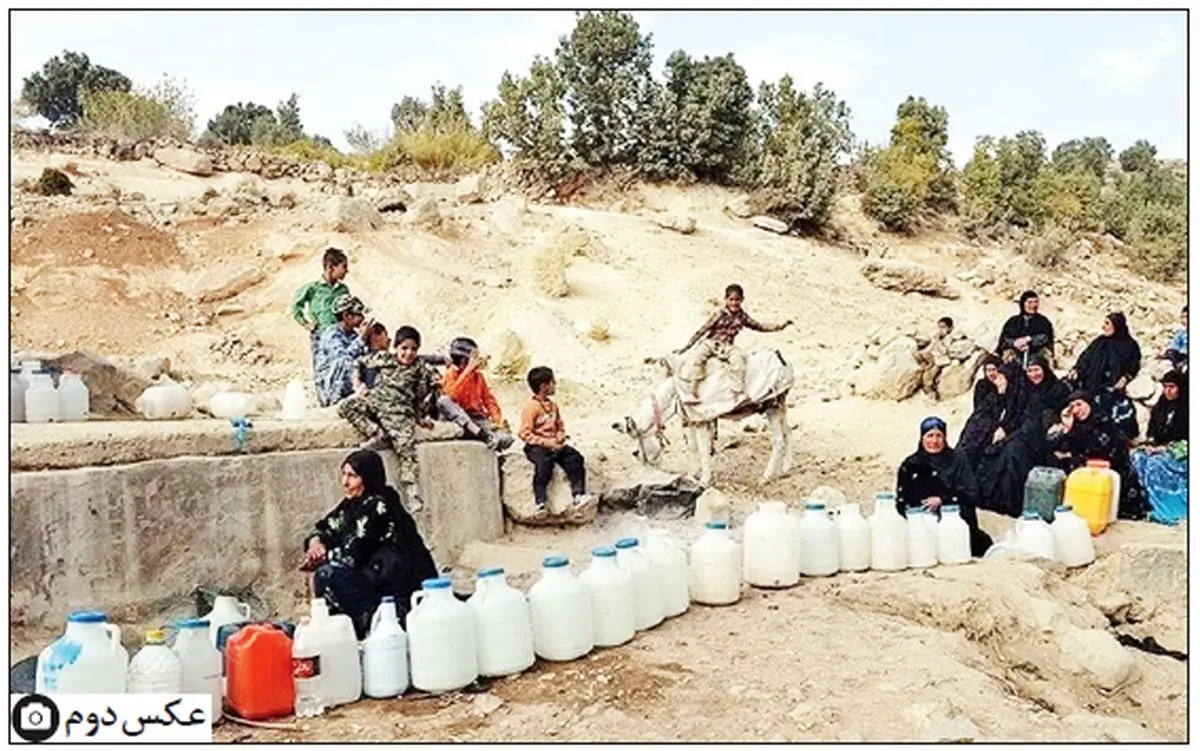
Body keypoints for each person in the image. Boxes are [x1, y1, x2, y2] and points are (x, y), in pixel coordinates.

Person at [301, 449, 437, 639]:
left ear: (368, 478)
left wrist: (320, 558)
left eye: (352, 476)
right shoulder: (353, 505)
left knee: (328, 574)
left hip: (398, 597)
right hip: (374, 586)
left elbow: (355, 552)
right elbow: (325, 527)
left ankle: (362, 631)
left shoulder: (381, 505)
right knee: (327, 574)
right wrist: (316, 544)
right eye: (344, 474)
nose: (345, 482)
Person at [338, 326, 441, 512]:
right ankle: (377, 433)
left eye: (413, 349)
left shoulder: (421, 368)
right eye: (404, 348)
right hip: (375, 403)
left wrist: (422, 416)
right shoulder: (384, 359)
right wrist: (358, 385)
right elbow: (357, 363)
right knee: (347, 407)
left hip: (399, 412)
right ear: (396, 347)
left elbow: (432, 389)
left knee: (406, 449)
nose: (408, 353)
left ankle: (412, 491)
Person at [675, 284, 793, 405]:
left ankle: (738, 393)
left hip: (727, 346)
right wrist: (685, 348)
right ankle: (692, 392)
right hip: (711, 342)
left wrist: (779, 326)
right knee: (697, 359)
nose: (734, 303)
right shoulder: (719, 314)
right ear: (726, 300)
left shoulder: (742, 316)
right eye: (731, 299)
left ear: (742, 300)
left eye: (737, 299)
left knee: (738, 361)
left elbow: (759, 326)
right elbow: (702, 330)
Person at [896, 416, 994, 557]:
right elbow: (901, 502)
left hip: (955, 522)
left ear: (945, 438)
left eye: (938, 436)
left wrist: (943, 500)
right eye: (929, 436)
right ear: (922, 438)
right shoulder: (910, 465)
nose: (934, 441)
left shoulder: (958, 460)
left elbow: (972, 493)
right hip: (922, 525)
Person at [518, 366, 590, 515]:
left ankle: (578, 494)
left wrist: (560, 436)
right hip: (537, 446)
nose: (555, 385)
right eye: (553, 382)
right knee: (544, 465)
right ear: (544, 386)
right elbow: (525, 433)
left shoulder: (553, 406)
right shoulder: (531, 407)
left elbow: (559, 425)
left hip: (554, 443)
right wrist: (545, 442)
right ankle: (541, 502)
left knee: (575, 458)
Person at [1130, 370, 1188, 524]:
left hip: (1182, 456)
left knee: (1156, 464)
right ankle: (1143, 505)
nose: (1168, 391)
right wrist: (1150, 445)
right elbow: (1152, 435)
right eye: (1165, 387)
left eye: (1172, 387)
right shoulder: (1160, 407)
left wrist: (1167, 449)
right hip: (1160, 450)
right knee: (1137, 458)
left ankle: (1164, 509)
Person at [441, 337, 514, 451]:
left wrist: (497, 419)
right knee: (444, 401)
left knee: (506, 439)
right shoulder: (451, 374)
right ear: (464, 360)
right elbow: (452, 396)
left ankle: (485, 436)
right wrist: (467, 372)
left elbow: (488, 400)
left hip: (476, 417)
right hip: (460, 418)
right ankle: (479, 434)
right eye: (474, 356)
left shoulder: (478, 377)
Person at [291, 248, 350, 375]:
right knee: (321, 369)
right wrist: (306, 324)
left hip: (340, 335)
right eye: (344, 267)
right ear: (331, 267)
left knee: (341, 368)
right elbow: (296, 306)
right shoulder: (313, 288)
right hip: (320, 335)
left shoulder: (343, 290)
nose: (347, 271)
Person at [314, 295, 370, 407]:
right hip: (329, 385)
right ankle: (336, 402)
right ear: (346, 316)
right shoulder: (331, 334)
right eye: (359, 314)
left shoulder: (353, 335)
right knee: (346, 362)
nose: (362, 317)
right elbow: (342, 359)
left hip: (347, 383)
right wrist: (362, 338)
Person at [1067, 311, 1142, 394]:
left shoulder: (1130, 346)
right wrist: (1076, 369)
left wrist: (1125, 378)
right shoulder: (1100, 341)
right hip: (1087, 383)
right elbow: (1085, 357)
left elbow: (1132, 366)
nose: (1103, 327)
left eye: (1107, 323)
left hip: (1109, 388)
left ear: (1117, 326)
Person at [996, 290, 1055, 366]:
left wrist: (1028, 340)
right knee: (1008, 354)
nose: (1033, 305)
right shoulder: (1012, 322)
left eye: (1036, 302)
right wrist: (1015, 343)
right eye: (1030, 302)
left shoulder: (1043, 321)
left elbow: (1045, 338)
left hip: (1037, 353)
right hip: (1016, 354)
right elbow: (1004, 339)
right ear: (1023, 304)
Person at [916, 316, 956, 399]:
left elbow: (944, 351)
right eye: (939, 327)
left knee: (929, 377)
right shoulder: (937, 337)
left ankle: (932, 394)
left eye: (943, 327)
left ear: (949, 328)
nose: (941, 330)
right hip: (934, 357)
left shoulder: (949, 338)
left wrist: (938, 342)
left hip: (941, 360)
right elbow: (930, 347)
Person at [1158, 305, 1187, 372]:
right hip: (1181, 357)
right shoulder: (1181, 334)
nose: (1183, 320)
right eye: (1182, 317)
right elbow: (1175, 346)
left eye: (1186, 317)